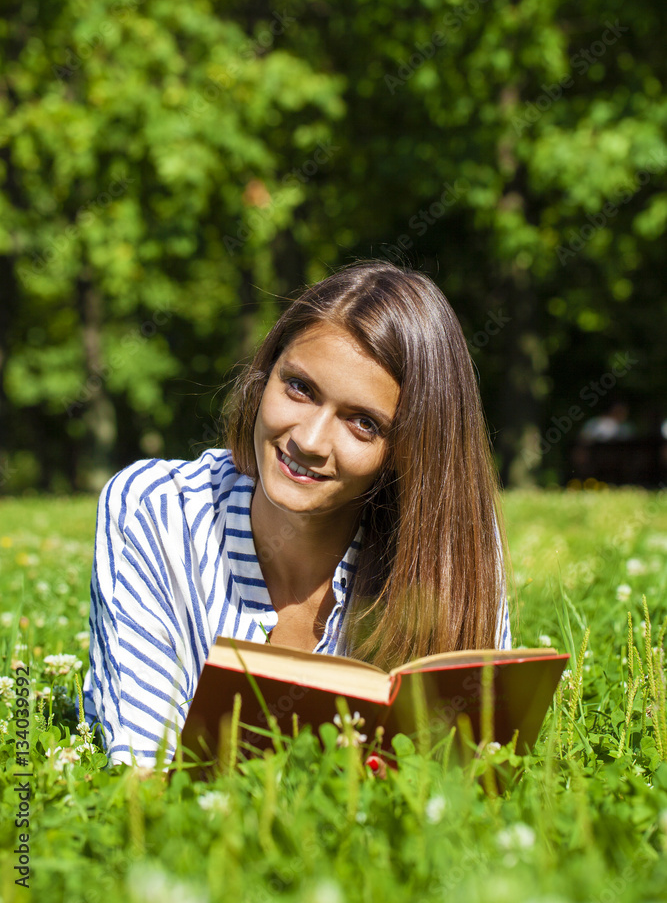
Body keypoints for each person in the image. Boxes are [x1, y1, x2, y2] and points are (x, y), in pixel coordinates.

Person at [83, 261, 512, 767]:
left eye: (363, 423)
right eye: (300, 388)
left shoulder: (445, 547)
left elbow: (467, 770)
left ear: (410, 450)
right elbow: (142, 765)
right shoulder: (155, 509)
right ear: (266, 374)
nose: (308, 441)